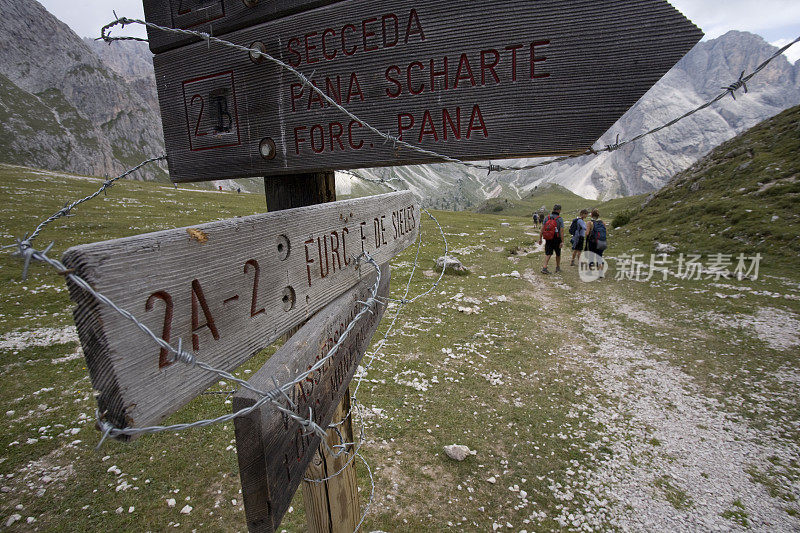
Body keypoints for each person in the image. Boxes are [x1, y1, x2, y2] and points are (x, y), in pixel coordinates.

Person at [539, 204, 564, 274]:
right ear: (558, 210)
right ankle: (558, 268)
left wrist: (540, 238)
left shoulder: (547, 217)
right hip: (557, 238)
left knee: (548, 253)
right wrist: (562, 241)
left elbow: (542, 229)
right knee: (558, 253)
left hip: (548, 238)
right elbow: (561, 231)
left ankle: (544, 267)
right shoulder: (560, 219)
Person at [585, 209, 608, 274]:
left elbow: (587, 233)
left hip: (592, 242)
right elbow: (606, 232)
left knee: (591, 256)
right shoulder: (602, 222)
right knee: (599, 256)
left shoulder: (590, 223)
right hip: (601, 241)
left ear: (592, 215)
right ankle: (600, 273)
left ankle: (590, 271)